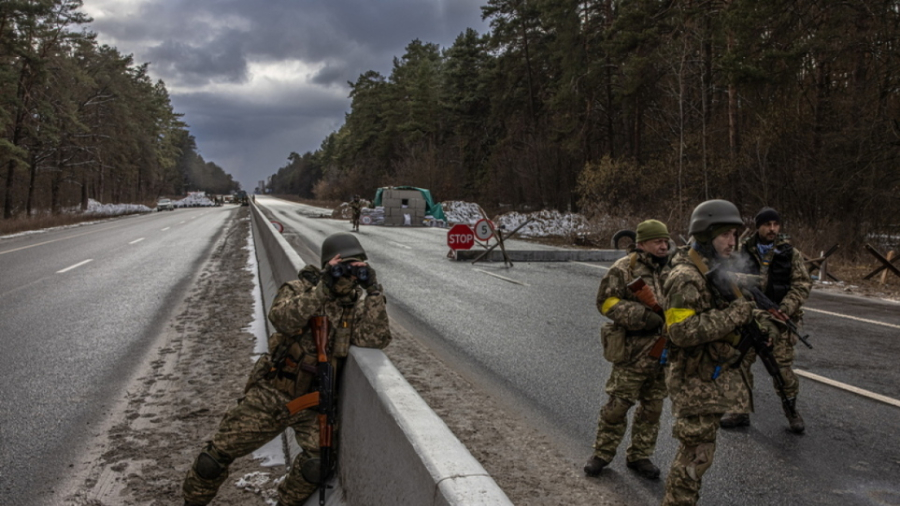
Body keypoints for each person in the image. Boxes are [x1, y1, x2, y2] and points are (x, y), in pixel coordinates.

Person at [182, 232, 391, 506]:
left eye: (357, 267)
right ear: (328, 264)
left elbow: (375, 338)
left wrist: (374, 291)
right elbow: (282, 319)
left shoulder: (353, 306)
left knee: (317, 464)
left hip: (314, 403)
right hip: (274, 392)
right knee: (214, 457)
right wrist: (323, 289)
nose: (350, 274)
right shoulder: (299, 289)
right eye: (344, 265)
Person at [661, 200, 780, 506]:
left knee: (699, 458)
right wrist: (735, 316)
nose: (733, 241)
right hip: (693, 381)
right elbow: (681, 331)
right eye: (726, 234)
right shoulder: (687, 276)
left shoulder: (712, 269)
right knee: (693, 461)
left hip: (707, 378)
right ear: (705, 233)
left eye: (735, 234)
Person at [584, 219, 672, 480]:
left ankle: (640, 455)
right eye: (658, 241)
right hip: (633, 351)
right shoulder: (624, 269)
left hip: (662, 351)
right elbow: (605, 302)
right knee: (617, 406)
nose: (663, 245)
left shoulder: (673, 270)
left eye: (666, 241)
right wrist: (642, 315)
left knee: (652, 408)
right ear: (642, 243)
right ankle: (602, 453)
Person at [719, 207, 811, 433]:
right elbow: (725, 281)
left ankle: (791, 411)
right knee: (736, 363)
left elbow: (802, 285)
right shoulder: (740, 252)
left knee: (781, 370)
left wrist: (784, 310)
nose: (772, 229)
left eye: (776, 225)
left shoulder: (790, 254)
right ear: (758, 226)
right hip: (748, 318)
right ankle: (739, 410)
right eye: (767, 225)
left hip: (779, 320)